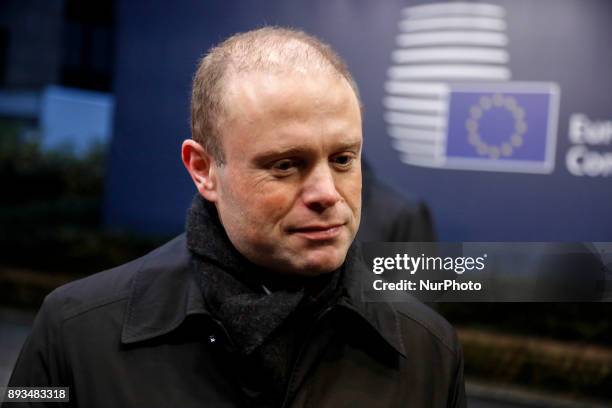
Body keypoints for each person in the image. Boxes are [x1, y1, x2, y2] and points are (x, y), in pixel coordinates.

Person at [4, 27, 466, 407]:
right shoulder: (73, 332)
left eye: (344, 159)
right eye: (286, 165)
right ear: (203, 169)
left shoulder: (430, 351)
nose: (328, 193)